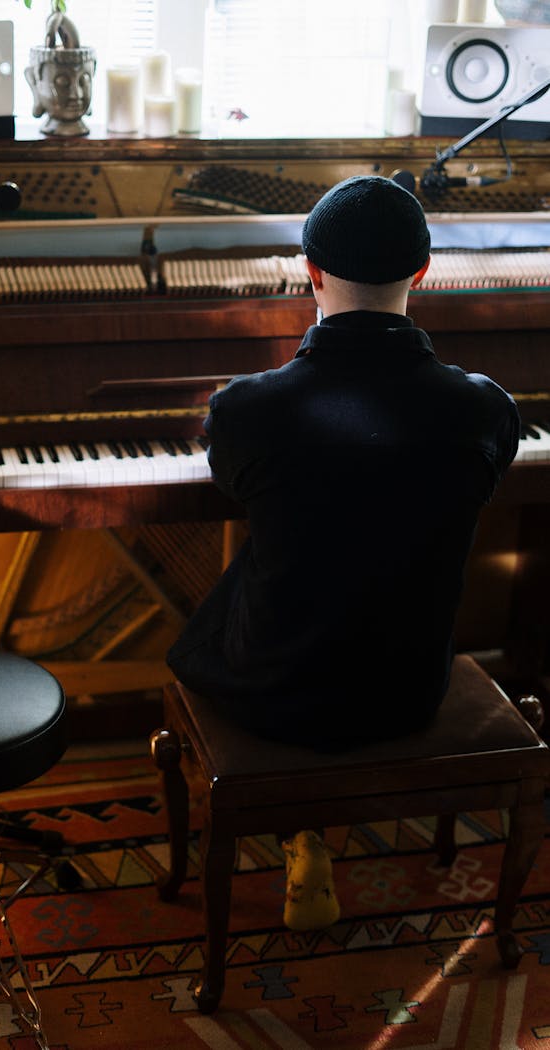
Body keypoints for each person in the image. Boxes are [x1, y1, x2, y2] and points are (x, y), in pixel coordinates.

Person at [166, 175, 520, 930]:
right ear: (423, 273)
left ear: (311, 270)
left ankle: (301, 826)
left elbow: (238, 482)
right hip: (405, 690)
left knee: (250, 578)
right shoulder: (484, 407)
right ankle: (315, 823)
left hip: (278, 694)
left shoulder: (246, 408)